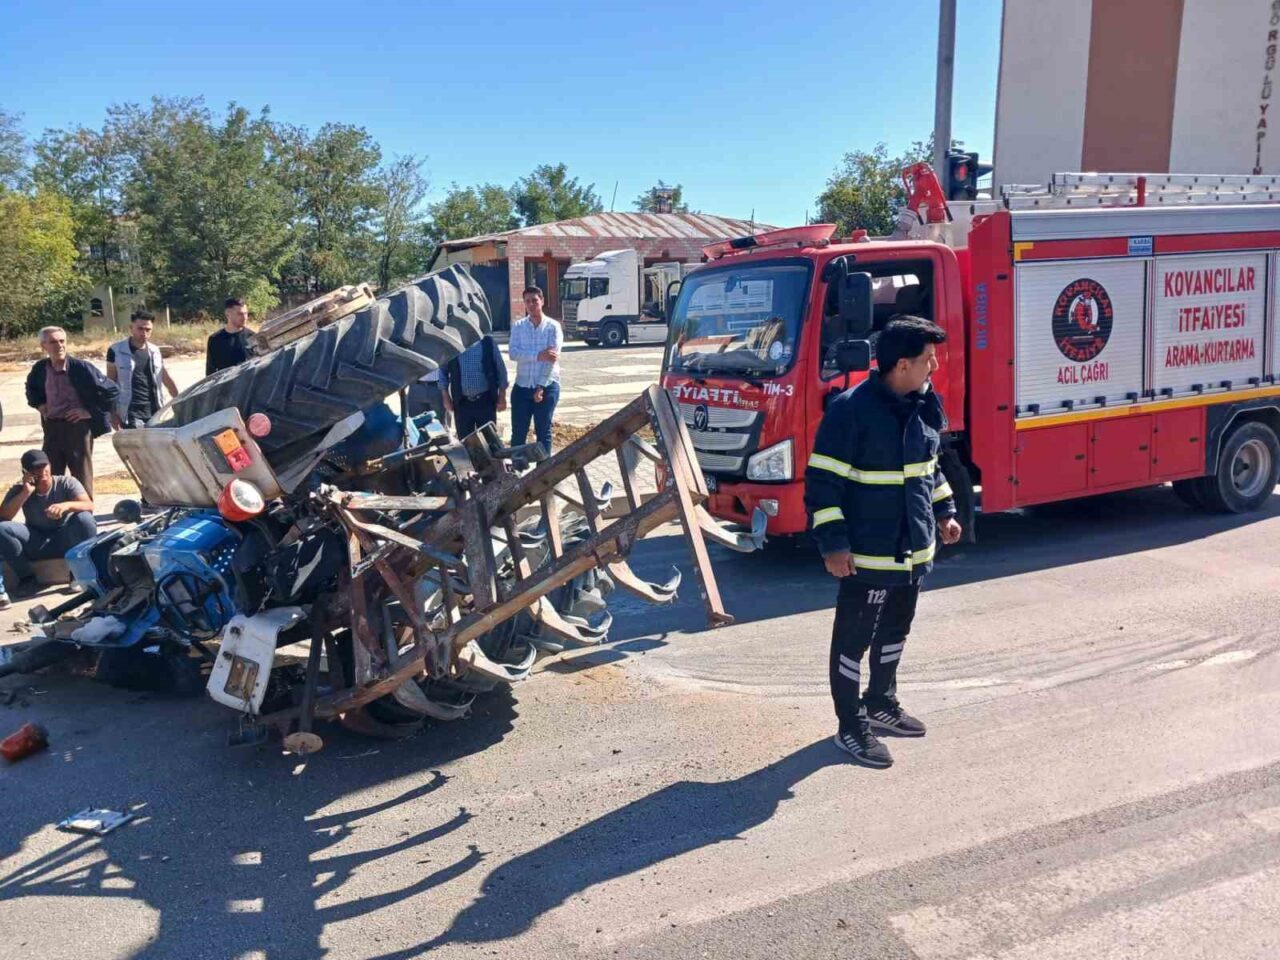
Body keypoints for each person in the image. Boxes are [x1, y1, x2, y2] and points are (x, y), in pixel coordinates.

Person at [804, 316, 962, 769]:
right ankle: (851, 725)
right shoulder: (850, 411)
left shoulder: (926, 404)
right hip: (866, 557)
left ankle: (880, 704)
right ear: (901, 364)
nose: (934, 367)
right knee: (853, 642)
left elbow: (928, 469)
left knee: (895, 633)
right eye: (927, 360)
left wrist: (946, 512)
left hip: (912, 553)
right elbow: (823, 484)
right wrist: (833, 545)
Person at [24, 326, 119, 499]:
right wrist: (40, 405)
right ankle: (52, 517)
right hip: (52, 428)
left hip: (78, 429)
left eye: (62, 341)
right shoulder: (40, 369)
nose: (59, 346)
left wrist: (89, 412)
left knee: (81, 476)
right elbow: (31, 390)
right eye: (53, 342)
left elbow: (111, 391)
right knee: (49, 475)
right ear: (43, 346)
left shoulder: (81, 368)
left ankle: (83, 517)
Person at [0, 449, 97, 608]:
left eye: (44, 466)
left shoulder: (66, 483)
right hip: (36, 540)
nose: (42, 471)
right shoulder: (19, 490)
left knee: (85, 518)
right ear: (26, 472)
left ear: (50, 465)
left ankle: (78, 574)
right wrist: (25, 493)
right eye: (35, 468)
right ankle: (27, 579)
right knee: (2, 529)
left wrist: (66, 506)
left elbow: (88, 504)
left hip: (65, 539)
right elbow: (3, 517)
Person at [507, 285, 562, 455]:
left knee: (543, 432)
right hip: (522, 387)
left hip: (546, 387)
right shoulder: (518, 327)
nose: (531, 304)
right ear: (524, 304)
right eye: (527, 301)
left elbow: (551, 359)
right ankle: (515, 475)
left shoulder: (553, 327)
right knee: (518, 434)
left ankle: (544, 476)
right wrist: (538, 355)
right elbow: (513, 354)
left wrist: (540, 387)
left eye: (535, 300)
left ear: (542, 301)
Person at [106, 310, 179, 429]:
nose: (144, 333)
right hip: (130, 413)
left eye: (148, 329)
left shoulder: (155, 351)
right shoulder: (116, 351)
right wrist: (112, 414)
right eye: (140, 329)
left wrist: (179, 401)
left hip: (155, 412)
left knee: (156, 447)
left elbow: (165, 378)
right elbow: (110, 384)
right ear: (131, 328)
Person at [443, 334, 509, 437]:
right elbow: (443, 372)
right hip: (462, 403)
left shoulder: (487, 342)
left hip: (485, 401)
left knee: (489, 441)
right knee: (465, 442)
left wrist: (502, 396)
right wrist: (446, 397)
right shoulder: (452, 343)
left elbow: (501, 369)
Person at [206, 296, 253, 376]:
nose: (245, 317)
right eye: (240, 314)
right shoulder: (215, 340)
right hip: (226, 387)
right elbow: (210, 373)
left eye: (246, 313)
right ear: (228, 314)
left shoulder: (252, 337)